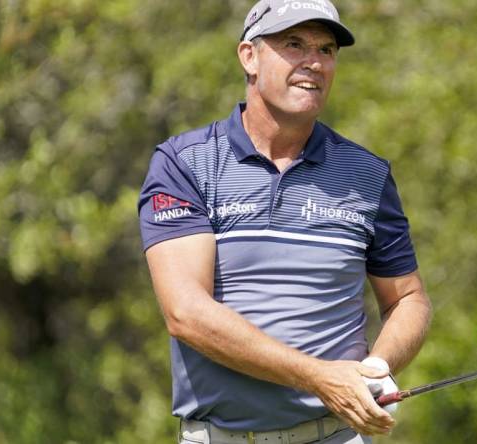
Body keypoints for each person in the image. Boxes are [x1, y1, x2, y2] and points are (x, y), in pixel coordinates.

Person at [138, 1, 432, 443]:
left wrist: (378, 365)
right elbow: (186, 313)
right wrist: (319, 378)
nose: (313, 62)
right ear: (249, 57)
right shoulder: (184, 164)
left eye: (327, 49)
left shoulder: (368, 174)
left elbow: (408, 299)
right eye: (293, 44)